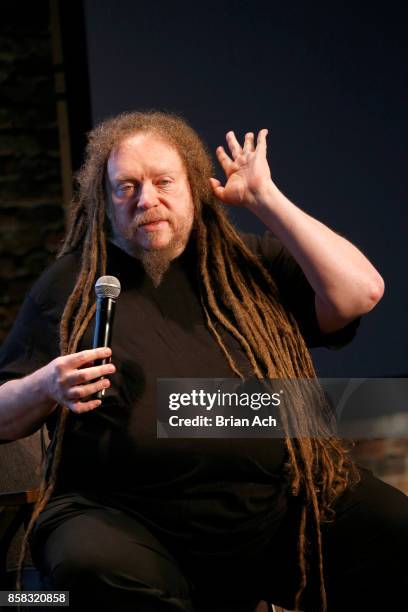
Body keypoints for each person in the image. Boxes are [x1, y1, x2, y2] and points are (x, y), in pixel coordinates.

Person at [0, 110, 406, 612]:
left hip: (269, 509)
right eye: (126, 186)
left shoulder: (245, 266)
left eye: (162, 181)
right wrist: (44, 386)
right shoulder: (74, 286)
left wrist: (266, 200)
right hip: (124, 516)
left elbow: (361, 292)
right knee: (91, 567)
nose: (145, 199)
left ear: (194, 186)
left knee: (394, 529)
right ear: (104, 201)